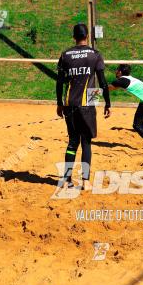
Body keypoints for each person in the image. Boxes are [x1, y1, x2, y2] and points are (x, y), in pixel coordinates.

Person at [56, 23, 110, 191]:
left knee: (72, 142)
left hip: (70, 102)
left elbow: (59, 82)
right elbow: (102, 82)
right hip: (88, 101)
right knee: (86, 142)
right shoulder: (95, 54)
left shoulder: (66, 55)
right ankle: (86, 181)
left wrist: (59, 103)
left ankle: (66, 179)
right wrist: (107, 103)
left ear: (74, 37)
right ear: (87, 36)